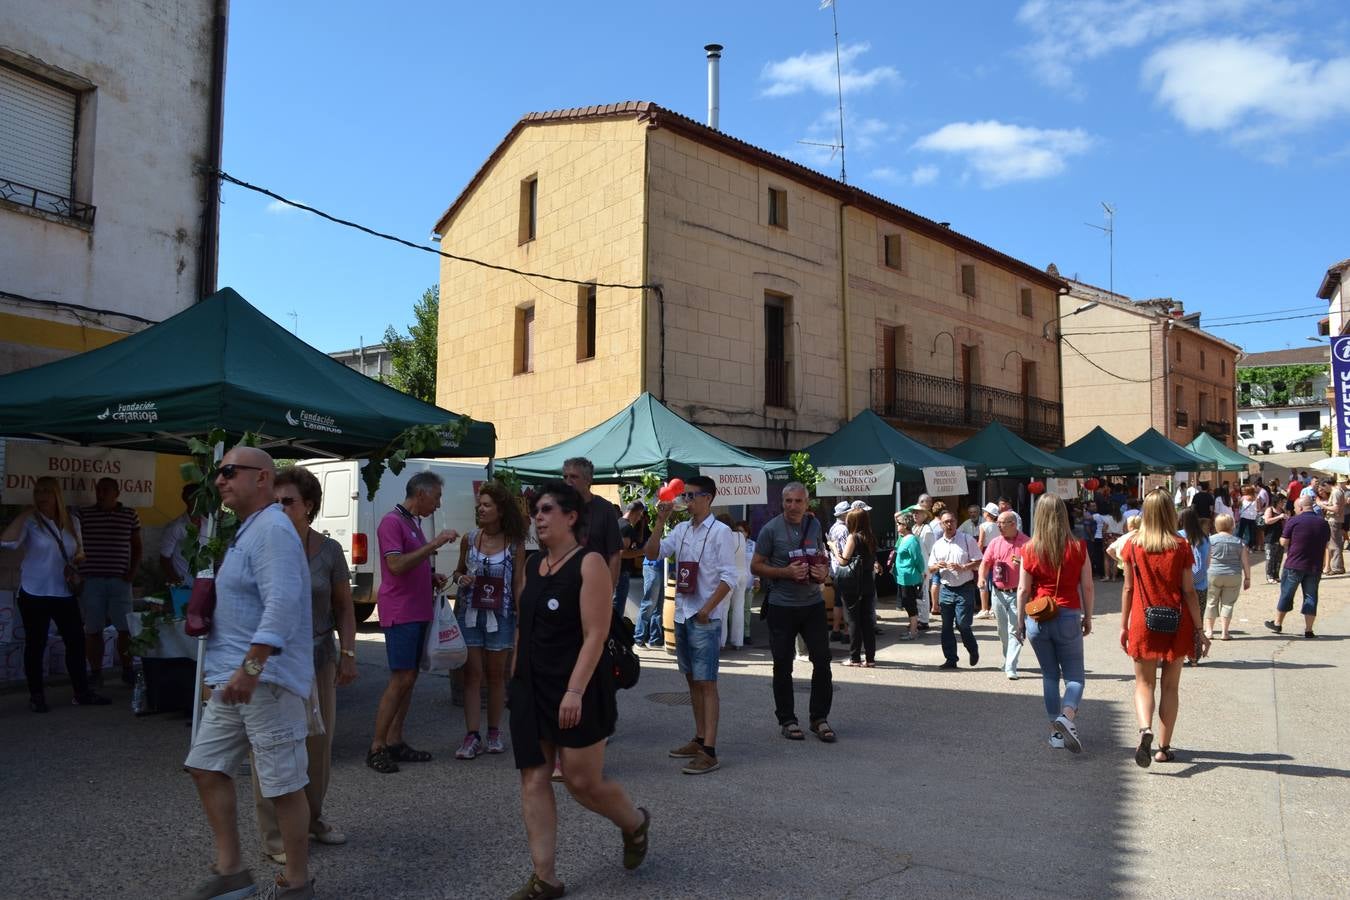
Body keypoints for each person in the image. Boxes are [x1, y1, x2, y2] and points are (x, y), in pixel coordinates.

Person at [182, 447, 314, 899]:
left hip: (266, 680)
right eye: (219, 473)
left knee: (282, 786)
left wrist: (252, 666)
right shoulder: (249, 529)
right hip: (235, 681)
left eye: (229, 471)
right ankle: (232, 870)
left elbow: (283, 603)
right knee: (205, 766)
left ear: (262, 478)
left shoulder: (274, 529)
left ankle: (297, 883)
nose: (220, 480)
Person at [509, 481, 648, 900]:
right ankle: (545, 878)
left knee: (581, 781)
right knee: (534, 777)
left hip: (579, 687)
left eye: (547, 509)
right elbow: (524, 624)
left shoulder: (589, 564)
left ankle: (635, 823)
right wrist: (516, 677)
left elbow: (596, 633)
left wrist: (574, 691)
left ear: (571, 517)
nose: (539, 517)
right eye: (536, 510)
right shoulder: (534, 566)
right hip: (532, 686)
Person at [252, 465, 358, 864]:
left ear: (308, 506)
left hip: (318, 659)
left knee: (318, 746)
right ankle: (275, 836)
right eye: (274, 502)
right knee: (271, 746)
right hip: (272, 664)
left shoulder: (328, 550)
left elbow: (345, 608)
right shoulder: (260, 545)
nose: (279, 508)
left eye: (288, 502)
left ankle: (313, 819)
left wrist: (348, 654)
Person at [366, 472, 459, 775]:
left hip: (417, 609)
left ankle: (395, 741)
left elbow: (410, 564)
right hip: (401, 610)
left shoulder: (411, 522)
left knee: (410, 677)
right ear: (421, 494)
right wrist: (434, 544)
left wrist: (429, 576)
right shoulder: (392, 522)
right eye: (436, 497)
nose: (438, 503)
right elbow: (395, 564)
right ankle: (377, 746)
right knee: (400, 678)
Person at [645, 476, 737, 774]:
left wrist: (707, 609)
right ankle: (699, 739)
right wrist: (660, 521)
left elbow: (729, 578)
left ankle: (709, 750)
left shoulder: (721, 532)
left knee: (707, 683)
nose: (685, 501)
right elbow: (651, 553)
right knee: (691, 680)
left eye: (691, 496)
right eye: (684, 496)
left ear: (708, 499)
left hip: (703, 617)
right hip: (683, 613)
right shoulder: (682, 529)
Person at [0, 475, 106, 712]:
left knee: (75, 642)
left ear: (56, 494)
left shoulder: (71, 521)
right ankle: (36, 695)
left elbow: (80, 551)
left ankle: (81, 692)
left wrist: (75, 564)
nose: (42, 497)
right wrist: (23, 514)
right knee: (36, 644)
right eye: (38, 492)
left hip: (62, 591)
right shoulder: (30, 522)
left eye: (47, 492)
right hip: (34, 591)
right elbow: (6, 542)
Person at [1120, 490, 1209, 768]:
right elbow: (1189, 591)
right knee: (1170, 686)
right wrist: (1200, 628)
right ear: (1171, 512)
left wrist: (1123, 625)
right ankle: (1163, 747)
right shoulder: (1180, 545)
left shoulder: (1133, 545)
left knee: (1144, 684)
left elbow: (1128, 588)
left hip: (1142, 621)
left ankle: (1144, 729)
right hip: (1176, 621)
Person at [751, 482, 835, 743]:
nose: (793, 506)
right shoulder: (770, 529)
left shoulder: (815, 525)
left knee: (822, 660)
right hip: (781, 606)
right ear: (782, 503)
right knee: (782, 665)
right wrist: (784, 573)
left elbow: (821, 557)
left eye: (798, 501)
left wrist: (824, 571)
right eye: (788, 501)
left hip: (812, 604)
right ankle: (787, 719)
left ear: (806, 503)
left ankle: (819, 718)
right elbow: (755, 566)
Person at [451, 481, 527, 760]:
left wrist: (522, 619)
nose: (480, 509)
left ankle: (494, 732)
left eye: (486, 505)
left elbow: (519, 582)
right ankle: (472, 736)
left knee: (496, 677)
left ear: (500, 510)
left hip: (502, 617)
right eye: (479, 505)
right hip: (470, 615)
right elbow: (457, 573)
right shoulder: (469, 540)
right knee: (471, 676)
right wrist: (462, 579)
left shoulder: (515, 544)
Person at [1015, 496, 1092, 752]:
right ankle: (1067, 717)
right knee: (1075, 677)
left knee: (1049, 675)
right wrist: (1088, 616)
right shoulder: (1078, 547)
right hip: (1068, 613)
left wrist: (1019, 623)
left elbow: (1023, 590)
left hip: (1038, 617)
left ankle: (1055, 732)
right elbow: (1088, 586)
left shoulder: (1029, 549)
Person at [76, 477, 142, 687]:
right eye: (98, 490)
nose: (101, 494)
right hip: (92, 581)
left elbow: (137, 546)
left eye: (106, 490)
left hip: (119, 581)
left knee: (125, 629)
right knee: (93, 629)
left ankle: (127, 669)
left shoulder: (129, 515)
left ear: (117, 493)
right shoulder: (84, 514)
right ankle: (95, 672)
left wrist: (132, 572)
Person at [1265, 494, 1331, 639]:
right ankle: (1308, 629)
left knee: (1287, 593)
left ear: (1300, 507)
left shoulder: (1294, 521)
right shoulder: (1323, 523)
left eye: (1295, 508)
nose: (1294, 510)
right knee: (1311, 596)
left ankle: (1277, 623)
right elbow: (1326, 544)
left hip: (1294, 563)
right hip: (1315, 565)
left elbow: (1283, 542)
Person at [927, 510, 982, 670]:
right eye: (946, 522)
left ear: (956, 522)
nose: (949, 525)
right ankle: (951, 659)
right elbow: (930, 569)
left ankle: (973, 649)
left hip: (965, 588)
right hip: (946, 589)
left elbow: (979, 561)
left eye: (951, 521)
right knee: (946, 627)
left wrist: (964, 566)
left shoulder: (966, 539)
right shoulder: (938, 544)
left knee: (963, 624)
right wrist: (937, 566)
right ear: (941, 524)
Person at [980, 511, 1029, 680]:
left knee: (1015, 629)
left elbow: (1037, 569)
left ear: (1013, 524)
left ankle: (1011, 666)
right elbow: (985, 564)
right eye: (998, 523)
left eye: (1002, 523)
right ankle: (1008, 658)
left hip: (1018, 594)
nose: (998, 526)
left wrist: (1022, 563)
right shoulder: (995, 543)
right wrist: (981, 578)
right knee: (1002, 631)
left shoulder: (1027, 543)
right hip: (998, 593)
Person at [562, 457, 622, 595]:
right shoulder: (560, 508)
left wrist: (609, 590)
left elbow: (615, 555)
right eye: (565, 477)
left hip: (595, 586)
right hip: (563, 586)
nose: (568, 482)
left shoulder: (605, 509)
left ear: (588, 480)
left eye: (574, 477)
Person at [833, 508, 878, 667]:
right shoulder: (870, 537)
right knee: (867, 620)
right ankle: (870, 658)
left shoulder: (853, 537)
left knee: (853, 620)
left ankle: (855, 657)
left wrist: (833, 548)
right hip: (867, 582)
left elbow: (844, 561)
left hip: (853, 583)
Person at [1205, 514, 1249, 642]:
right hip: (1233, 575)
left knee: (1211, 602)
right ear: (1232, 526)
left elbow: (1207, 559)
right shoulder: (1239, 542)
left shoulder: (1210, 540)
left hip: (1213, 574)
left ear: (1216, 526)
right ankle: (1225, 632)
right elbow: (1245, 561)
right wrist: (1248, 578)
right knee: (1228, 604)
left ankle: (1209, 631)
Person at [1178, 508, 1210, 665]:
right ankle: (1194, 656)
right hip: (1201, 584)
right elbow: (1207, 563)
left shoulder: (1178, 536)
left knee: (1182, 620)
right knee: (1198, 620)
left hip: (1183, 584)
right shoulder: (1204, 538)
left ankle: (1181, 652)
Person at [159, 482, 203, 586]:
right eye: (200, 497)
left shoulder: (209, 525)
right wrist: (177, 581)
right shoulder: (176, 527)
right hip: (185, 585)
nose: (204, 501)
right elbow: (164, 559)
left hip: (205, 586)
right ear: (190, 500)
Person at [716, 514, 748, 650]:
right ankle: (737, 641)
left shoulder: (723, 535)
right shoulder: (741, 536)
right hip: (743, 574)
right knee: (739, 608)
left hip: (729, 575)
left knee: (723, 608)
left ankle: (721, 642)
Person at [891, 513, 924, 641]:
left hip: (910, 578)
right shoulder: (904, 538)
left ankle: (913, 631)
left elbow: (918, 558)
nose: (897, 526)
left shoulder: (911, 540)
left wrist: (922, 571)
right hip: (904, 577)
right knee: (907, 603)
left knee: (910, 605)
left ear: (905, 525)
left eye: (899, 524)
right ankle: (913, 629)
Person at [616, 500, 650, 616]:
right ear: (637, 512)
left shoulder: (619, 523)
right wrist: (643, 551)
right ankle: (616, 632)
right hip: (621, 572)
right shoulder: (626, 528)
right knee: (618, 606)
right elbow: (622, 553)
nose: (640, 518)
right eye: (640, 515)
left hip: (616, 571)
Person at [826, 501, 851, 644]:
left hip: (834, 570)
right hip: (843, 570)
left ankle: (836, 630)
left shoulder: (833, 528)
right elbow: (843, 554)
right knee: (845, 601)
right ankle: (847, 632)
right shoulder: (843, 530)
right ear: (844, 514)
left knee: (838, 601)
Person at [1263, 495, 1289, 583]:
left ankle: (1276, 575)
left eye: (1284, 502)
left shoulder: (1282, 511)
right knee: (1270, 558)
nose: (1283, 503)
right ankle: (1269, 576)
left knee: (1279, 558)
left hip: (1280, 537)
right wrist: (1279, 517)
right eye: (1282, 501)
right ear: (1277, 501)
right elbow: (1267, 521)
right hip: (1270, 537)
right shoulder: (1270, 509)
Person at [1324, 477, 1346, 576]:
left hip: (1334, 520)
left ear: (1328, 484)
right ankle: (1338, 566)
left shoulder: (1336, 492)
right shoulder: (1338, 492)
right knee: (1335, 543)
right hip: (1335, 520)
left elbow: (1336, 508)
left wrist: (1323, 505)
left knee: (1335, 544)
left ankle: (1337, 567)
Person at [1237, 487, 1261, 552]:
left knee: (1241, 532)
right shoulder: (1256, 498)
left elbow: (1238, 505)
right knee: (1252, 533)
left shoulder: (1243, 498)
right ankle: (1251, 547)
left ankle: (1238, 545)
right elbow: (1259, 509)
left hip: (1244, 516)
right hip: (1252, 518)